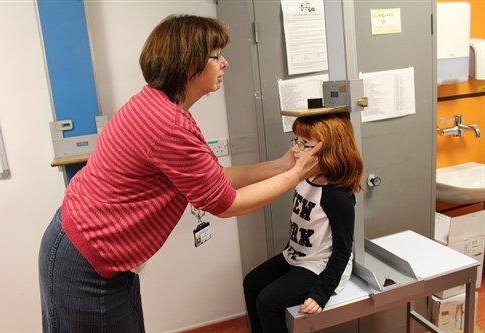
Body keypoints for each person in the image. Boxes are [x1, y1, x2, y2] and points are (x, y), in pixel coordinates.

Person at [38, 14, 321, 333]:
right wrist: (297, 174)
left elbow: (215, 180)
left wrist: (282, 165)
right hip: (86, 258)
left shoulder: (158, 106)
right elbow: (226, 204)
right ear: (189, 65)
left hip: (82, 247)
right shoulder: (168, 125)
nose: (225, 63)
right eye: (216, 56)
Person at [243, 113, 364, 333]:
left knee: (268, 301)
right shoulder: (305, 178)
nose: (296, 150)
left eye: (305, 144)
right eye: (296, 141)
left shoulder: (337, 197)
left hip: (319, 266)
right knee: (252, 282)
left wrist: (322, 293)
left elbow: (343, 250)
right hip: (296, 256)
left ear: (327, 150)